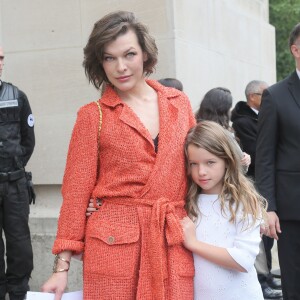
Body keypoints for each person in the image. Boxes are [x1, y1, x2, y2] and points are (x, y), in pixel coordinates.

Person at [41, 11, 195, 300]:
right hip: (113, 244)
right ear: (99, 63)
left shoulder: (179, 104)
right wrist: (61, 268)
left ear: (146, 55)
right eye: (109, 58)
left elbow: (199, 170)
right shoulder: (92, 116)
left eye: (129, 54)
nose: (121, 67)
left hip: (171, 237)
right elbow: (76, 194)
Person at [180, 120, 266, 299]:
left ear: (227, 160)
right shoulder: (188, 202)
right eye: (193, 164)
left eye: (210, 162)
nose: (201, 171)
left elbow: (243, 260)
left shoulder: (243, 201)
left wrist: (194, 244)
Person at [256, 23, 300, 300]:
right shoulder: (276, 95)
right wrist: (268, 207)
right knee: (294, 283)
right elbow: (265, 157)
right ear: (296, 50)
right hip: (293, 210)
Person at [231, 80, 282, 299]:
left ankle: (266, 273)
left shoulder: (258, 116)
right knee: (258, 234)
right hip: (252, 183)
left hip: (264, 182)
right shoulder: (243, 121)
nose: (268, 97)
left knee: (268, 236)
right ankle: (261, 277)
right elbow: (258, 149)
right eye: (264, 94)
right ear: (252, 96)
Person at [0, 46, 35, 300]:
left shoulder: (17, 96)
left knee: (19, 245)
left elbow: (28, 140)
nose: (0, 62)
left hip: (14, 184)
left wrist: (13, 167)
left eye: (1, 57)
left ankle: (19, 293)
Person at [195, 87, 251, 170]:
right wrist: (245, 159)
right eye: (229, 108)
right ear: (223, 110)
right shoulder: (223, 133)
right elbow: (241, 166)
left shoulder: (193, 127)